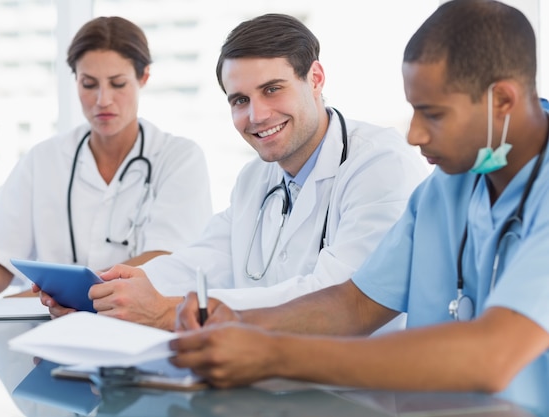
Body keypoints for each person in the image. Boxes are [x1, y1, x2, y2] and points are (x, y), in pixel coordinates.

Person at [170, 1, 549, 416]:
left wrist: (273, 354)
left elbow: (491, 356)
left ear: (503, 101)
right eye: (413, 109)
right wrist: (240, 322)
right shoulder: (447, 187)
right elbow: (356, 304)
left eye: (433, 114)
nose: (415, 134)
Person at [41, 13, 428, 331]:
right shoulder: (256, 179)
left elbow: (336, 297)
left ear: (315, 79)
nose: (256, 115)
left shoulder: (378, 164)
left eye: (272, 89)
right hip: (266, 383)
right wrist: (109, 290)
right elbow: (205, 260)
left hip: (353, 395)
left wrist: (167, 310)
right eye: (240, 100)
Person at [0, 17, 213, 297]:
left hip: (143, 323)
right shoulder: (44, 159)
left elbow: (167, 259)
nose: (103, 99)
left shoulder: (179, 158)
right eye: (89, 84)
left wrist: (64, 293)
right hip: (52, 325)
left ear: (143, 78)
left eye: (118, 84)